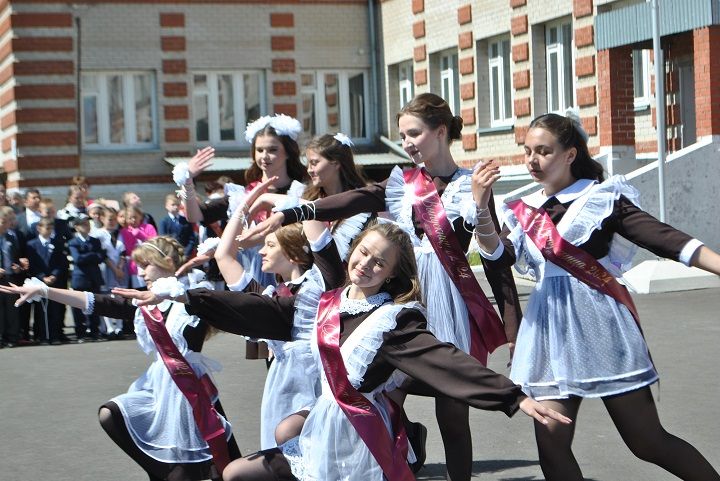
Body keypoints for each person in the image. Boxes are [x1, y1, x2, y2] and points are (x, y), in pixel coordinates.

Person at [127, 222, 569, 481]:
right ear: (352, 250)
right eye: (364, 253)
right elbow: (259, 313)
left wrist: (514, 397)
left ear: (394, 273)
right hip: (326, 422)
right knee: (236, 472)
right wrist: (189, 298)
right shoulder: (326, 302)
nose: (367, 265)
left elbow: (441, 358)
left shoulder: (395, 319)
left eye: (381, 263)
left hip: (364, 434)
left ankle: (407, 442)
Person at [244, 93, 523, 480]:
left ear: (440, 132)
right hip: (400, 300)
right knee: (379, 395)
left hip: (449, 308)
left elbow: (497, 268)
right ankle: (395, 454)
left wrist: (514, 332)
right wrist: (294, 211)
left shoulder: (470, 185)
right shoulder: (403, 182)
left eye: (414, 134)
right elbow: (354, 199)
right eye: (403, 136)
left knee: (453, 413)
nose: (406, 143)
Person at [472, 111, 720, 480]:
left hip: (601, 328)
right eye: (527, 151)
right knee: (551, 445)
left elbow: (665, 238)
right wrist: (481, 207)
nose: (532, 161)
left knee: (646, 442)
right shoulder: (526, 211)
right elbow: (499, 256)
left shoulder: (601, 198)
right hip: (548, 335)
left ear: (570, 155)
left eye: (543, 151)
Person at [0, 236, 241, 481]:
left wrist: (214, 256)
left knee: (218, 464)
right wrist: (45, 290)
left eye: (146, 264)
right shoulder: (142, 301)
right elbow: (97, 301)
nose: (140, 272)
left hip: (191, 389)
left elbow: (229, 292)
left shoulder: (193, 294)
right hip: (159, 384)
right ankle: (160, 471)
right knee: (112, 414)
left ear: (167, 262)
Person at [25, 217, 69, 344]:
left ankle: (54, 336)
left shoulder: (57, 243)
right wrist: (42, 276)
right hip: (39, 281)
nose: (49, 230)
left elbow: (61, 262)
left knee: (55, 309)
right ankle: (43, 336)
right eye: (46, 228)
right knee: (41, 310)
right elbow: (32, 264)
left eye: (51, 228)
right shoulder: (31, 245)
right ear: (39, 228)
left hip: (54, 281)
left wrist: (54, 275)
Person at [0, 206, 24, 347]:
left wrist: (17, 266)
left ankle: (12, 337)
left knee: (11, 309)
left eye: (7, 222)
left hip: (9, 277)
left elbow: (15, 256)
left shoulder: (11, 237)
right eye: (3, 222)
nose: (5, 225)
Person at [120, 206, 158, 288]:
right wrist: (133, 237)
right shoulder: (124, 231)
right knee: (140, 288)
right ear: (126, 219)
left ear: (140, 216)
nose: (133, 220)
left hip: (150, 261)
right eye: (130, 218)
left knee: (153, 286)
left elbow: (155, 243)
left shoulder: (149, 227)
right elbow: (128, 250)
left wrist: (142, 236)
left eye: (135, 217)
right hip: (135, 265)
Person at [159, 193, 198, 259]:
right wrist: (169, 253)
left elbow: (191, 238)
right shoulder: (164, 222)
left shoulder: (185, 220)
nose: (176, 207)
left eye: (177, 205)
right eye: (173, 205)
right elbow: (163, 238)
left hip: (185, 253)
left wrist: (186, 252)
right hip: (170, 254)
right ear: (166, 206)